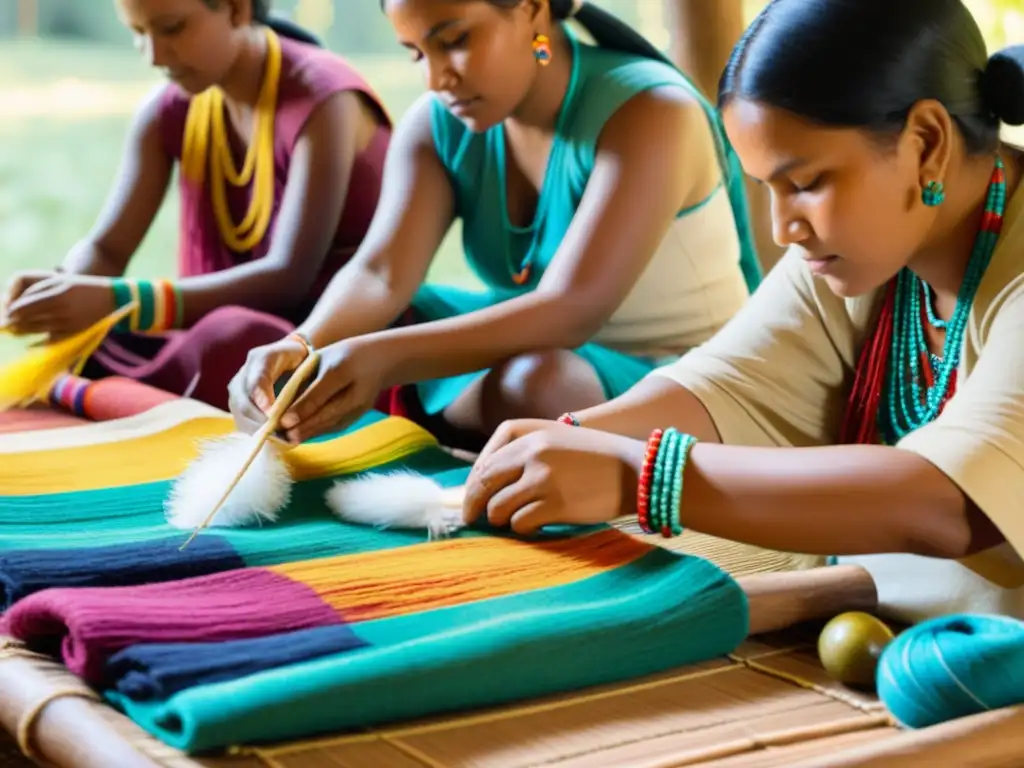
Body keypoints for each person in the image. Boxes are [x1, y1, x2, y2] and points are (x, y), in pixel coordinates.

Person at [459, 0, 1024, 622]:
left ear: (926, 143)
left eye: (806, 183)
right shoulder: (874, 246)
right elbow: (732, 384)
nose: (783, 228)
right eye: (766, 189)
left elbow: (949, 506)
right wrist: (574, 436)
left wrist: (635, 473)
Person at [227, 0, 762, 451]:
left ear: (530, 9)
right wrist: (303, 347)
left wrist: (380, 360)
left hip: (674, 372)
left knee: (533, 383)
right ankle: (452, 430)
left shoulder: (651, 112)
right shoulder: (438, 123)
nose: (436, 78)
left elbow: (571, 309)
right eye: (416, 53)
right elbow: (381, 274)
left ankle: (433, 428)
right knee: (370, 319)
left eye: (454, 40)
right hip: (534, 348)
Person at [1, 0, 391, 411]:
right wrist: (63, 291)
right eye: (138, 33)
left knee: (232, 337)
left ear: (238, 10)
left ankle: (141, 396)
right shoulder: (169, 108)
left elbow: (288, 277)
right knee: (105, 336)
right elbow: (107, 249)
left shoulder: (324, 101)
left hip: (313, 341)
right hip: (211, 334)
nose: (153, 55)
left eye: (171, 28)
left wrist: (114, 300)